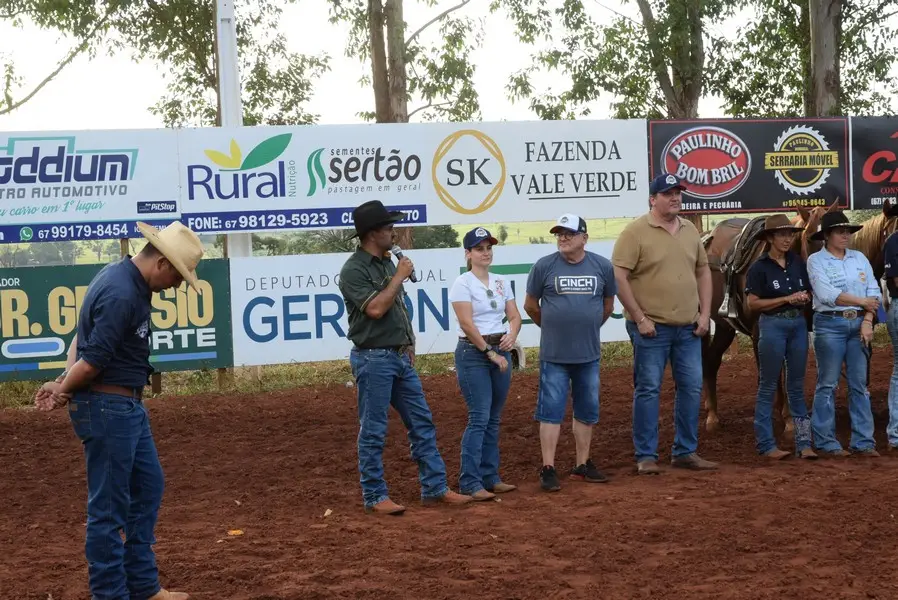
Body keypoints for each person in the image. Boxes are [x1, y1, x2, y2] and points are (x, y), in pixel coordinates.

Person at [34, 221, 204, 600]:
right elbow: (92, 359)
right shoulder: (123, 293)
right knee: (109, 509)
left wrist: (64, 384)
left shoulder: (117, 278)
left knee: (146, 488)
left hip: (120, 405)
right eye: (178, 276)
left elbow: (82, 338)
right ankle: (111, 594)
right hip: (109, 407)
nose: (177, 286)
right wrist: (65, 387)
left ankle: (142, 585)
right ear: (162, 263)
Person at [338, 200, 472, 515]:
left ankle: (435, 487)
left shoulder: (385, 263)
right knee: (373, 428)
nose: (394, 233)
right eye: (388, 228)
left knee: (421, 421)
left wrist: (409, 343)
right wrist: (398, 276)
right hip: (373, 358)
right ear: (372, 233)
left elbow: (396, 309)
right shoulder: (354, 270)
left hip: (396, 357)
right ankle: (374, 495)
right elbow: (375, 309)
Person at [611, 173, 718, 475]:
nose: (675, 198)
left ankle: (685, 451)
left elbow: (703, 272)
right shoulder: (635, 232)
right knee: (648, 389)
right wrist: (640, 318)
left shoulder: (689, 231)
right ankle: (646, 455)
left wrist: (705, 313)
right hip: (651, 328)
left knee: (692, 387)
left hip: (688, 327)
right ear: (652, 199)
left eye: (678, 193)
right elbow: (618, 277)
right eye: (668, 193)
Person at [523, 213, 616, 492]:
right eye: (559, 234)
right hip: (554, 355)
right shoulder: (544, 266)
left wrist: (584, 327)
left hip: (588, 354)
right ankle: (548, 467)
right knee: (550, 412)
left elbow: (608, 305)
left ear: (584, 238)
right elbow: (530, 305)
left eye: (569, 234)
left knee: (587, 410)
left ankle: (582, 464)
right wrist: (553, 327)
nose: (562, 238)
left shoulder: (602, 266)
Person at [449, 227, 523, 501]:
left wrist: (512, 335)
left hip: (498, 348)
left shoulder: (501, 281)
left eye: (489, 247)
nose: (486, 252)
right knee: (479, 416)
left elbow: (514, 316)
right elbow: (467, 324)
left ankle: (490, 476)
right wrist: (489, 352)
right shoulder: (463, 283)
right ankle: (470, 480)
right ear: (468, 254)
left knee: (492, 417)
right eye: (479, 248)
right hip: (474, 352)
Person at [806, 211, 881, 457]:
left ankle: (864, 441)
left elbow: (875, 290)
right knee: (827, 383)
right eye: (840, 231)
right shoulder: (816, 261)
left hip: (859, 323)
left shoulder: (859, 257)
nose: (846, 235)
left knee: (859, 385)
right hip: (830, 324)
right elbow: (827, 294)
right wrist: (863, 302)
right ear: (827, 236)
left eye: (847, 231)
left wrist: (868, 320)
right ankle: (827, 441)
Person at [744, 214, 817, 460]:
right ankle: (766, 444)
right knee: (768, 385)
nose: (787, 239)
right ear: (769, 238)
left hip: (796, 323)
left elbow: (806, 289)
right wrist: (787, 299)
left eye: (790, 234)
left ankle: (804, 443)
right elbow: (752, 304)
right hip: (773, 325)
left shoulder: (797, 262)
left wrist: (803, 297)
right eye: (782, 235)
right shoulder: (759, 267)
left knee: (796, 385)